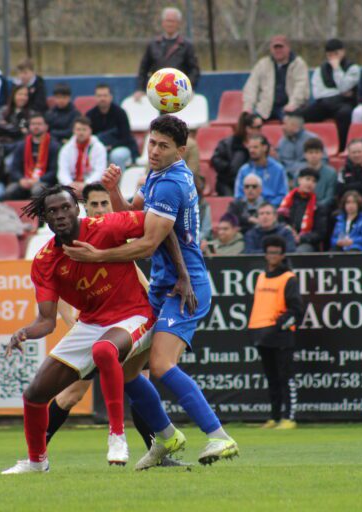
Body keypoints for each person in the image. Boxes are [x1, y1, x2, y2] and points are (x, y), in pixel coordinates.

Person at [64, 115, 239, 467]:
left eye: (163, 145)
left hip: (184, 287)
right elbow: (133, 216)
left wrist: (99, 255)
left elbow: (145, 245)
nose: (154, 150)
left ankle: (220, 437)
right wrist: (113, 190)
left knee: (160, 364)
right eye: (152, 142)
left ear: (181, 151)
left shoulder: (171, 183)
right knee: (127, 371)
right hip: (165, 282)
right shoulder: (158, 175)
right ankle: (166, 437)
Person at [1, 185, 187, 474]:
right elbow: (47, 321)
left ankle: (117, 436)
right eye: (53, 211)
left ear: (78, 208)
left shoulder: (107, 226)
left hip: (134, 314)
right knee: (34, 394)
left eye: (65, 207)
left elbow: (161, 225)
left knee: (105, 351)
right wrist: (25, 332)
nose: (60, 215)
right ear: (45, 218)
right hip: (91, 323)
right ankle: (37, 462)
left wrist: (182, 274)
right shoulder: (45, 261)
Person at [248, 235, 303, 430]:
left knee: (286, 377)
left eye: (276, 253)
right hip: (262, 335)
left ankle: (289, 418)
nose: (272, 256)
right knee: (271, 378)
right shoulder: (261, 276)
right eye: (269, 252)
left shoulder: (289, 278)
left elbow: (296, 310)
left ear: (282, 255)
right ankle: (274, 417)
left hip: (281, 336)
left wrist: (279, 325)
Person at [302, 38, 361, 152]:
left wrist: (336, 68)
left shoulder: (353, 68)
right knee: (300, 115)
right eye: (329, 55)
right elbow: (318, 93)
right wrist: (340, 94)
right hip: (325, 104)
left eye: (336, 54)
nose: (333, 58)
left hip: (344, 104)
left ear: (343, 52)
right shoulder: (320, 70)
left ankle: (343, 148)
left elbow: (344, 86)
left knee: (345, 114)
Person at [134, 6, 200, 101]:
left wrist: (189, 88)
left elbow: (194, 70)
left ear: (178, 23)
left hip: (178, 92)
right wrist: (140, 89)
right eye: (167, 21)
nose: (170, 24)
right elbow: (143, 69)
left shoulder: (186, 46)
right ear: (163, 23)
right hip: (157, 93)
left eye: (172, 21)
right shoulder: (153, 44)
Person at [242, 35, 309, 121]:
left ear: (288, 48)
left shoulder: (298, 64)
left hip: (289, 108)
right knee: (249, 123)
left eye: (281, 47)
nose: (278, 50)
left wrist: (293, 104)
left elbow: (301, 87)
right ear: (271, 49)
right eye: (275, 48)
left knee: (292, 125)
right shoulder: (263, 64)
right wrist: (248, 106)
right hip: (266, 109)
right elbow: (251, 86)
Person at [5, 113, 60, 200]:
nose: (36, 126)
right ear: (29, 126)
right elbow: (14, 168)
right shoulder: (21, 145)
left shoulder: (54, 146)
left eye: (39, 124)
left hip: (44, 181)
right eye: (33, 124)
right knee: (10, 191)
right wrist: (21, 180)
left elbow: (54, 171)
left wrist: (38, 180)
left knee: (37, 190)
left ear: (46, 126)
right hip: (25, 180)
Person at [87, 84, 139, 171]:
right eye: (99, 96)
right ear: (95, 97)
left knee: (116, 155)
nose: (102, 98)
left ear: (110, 97)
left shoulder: (120, 113)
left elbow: (126, 137)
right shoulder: (90, 115)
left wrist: (110, 146)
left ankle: (118, 183)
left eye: (105, 95)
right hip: (98, 148)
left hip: (121, 147)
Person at [211, 112, 263, 196]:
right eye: (258, 127)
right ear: (248, 129)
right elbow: (216, 160)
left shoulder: (263, 145)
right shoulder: (228, 144)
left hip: (254, 183)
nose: (261, 130)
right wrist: (229, 168)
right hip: (229, 184)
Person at [277, 168, 327, 252]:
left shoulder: (318, 207)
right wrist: (288, 230)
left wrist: (301, 238)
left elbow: (320, 233)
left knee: (300, 252)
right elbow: (280, 221)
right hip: (285, 238)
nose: (310, 183)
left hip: (307, 243)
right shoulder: (286, 202)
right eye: (307, 179)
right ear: (299, 180)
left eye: (314, 181)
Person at [57, 116, 107, 195]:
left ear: (90, 131)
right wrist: (70, 184)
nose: (81, 133)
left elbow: (100, 171)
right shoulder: (66, 148)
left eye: (84, 129)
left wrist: (86, 184)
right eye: (78, 129)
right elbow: (62, 172)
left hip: (92, 185)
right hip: (71, 185)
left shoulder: (99, 147)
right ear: (73, 131)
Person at [233, 135, 287, 206]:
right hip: (248, 210)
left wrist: (267, 208)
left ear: (265, 148)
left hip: (271, 210)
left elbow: (282, 195)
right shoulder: (244, 170)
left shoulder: (278, 169)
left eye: (255, 147)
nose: (251, 150)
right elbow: (239, 196)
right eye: (250, 147)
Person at [276, 114, 319, 179]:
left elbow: (322, 160)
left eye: (285, 124)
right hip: (286, 177)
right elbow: (280, 162)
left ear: (295, 126)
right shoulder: (282, 141)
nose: (283, 127)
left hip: (308, 175)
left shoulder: (312, 139)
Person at [300, 138, 337, 211]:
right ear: (305, 155)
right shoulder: (299, 173)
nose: (314, 155)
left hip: (323, 210)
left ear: (322, 154)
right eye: (310, 152)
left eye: (317, 152)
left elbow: (330, 197)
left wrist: (315, 207)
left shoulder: (331, 173)